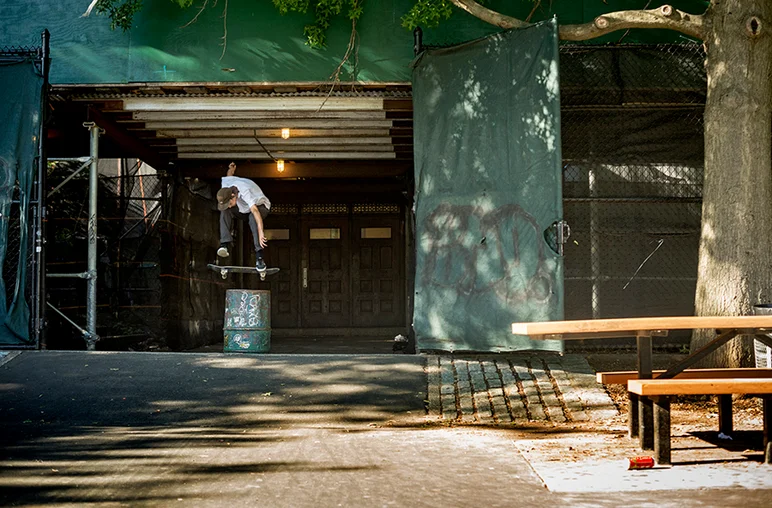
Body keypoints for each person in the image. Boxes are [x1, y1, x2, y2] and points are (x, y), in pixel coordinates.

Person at [215, 162, 271, 271]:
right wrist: (231, 169)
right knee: (225, 211)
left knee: (252, 218)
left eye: (230, 203)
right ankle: (224, 244)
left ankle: (260, 257)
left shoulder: (245, 191)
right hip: (243, 209)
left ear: (233, 196)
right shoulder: (225, 188)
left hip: (261, 207)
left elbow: (255, 211)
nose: (230, 206)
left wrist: (260, 232)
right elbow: (229, 176)